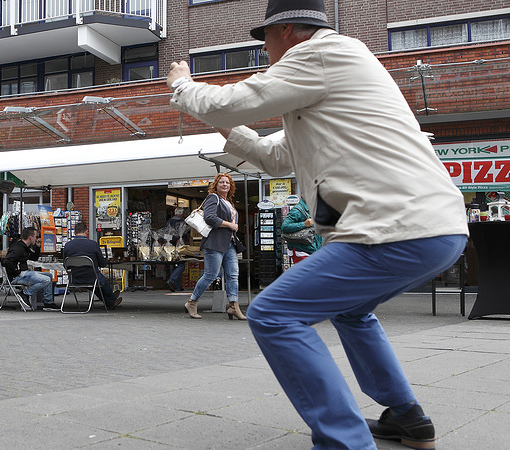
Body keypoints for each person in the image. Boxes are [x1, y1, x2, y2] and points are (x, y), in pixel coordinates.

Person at [166, 0, 468, 448]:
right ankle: (407, 417)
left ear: (286, 31)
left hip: (391, 228)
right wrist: (224, 126)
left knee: (273, 313)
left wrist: (182, 86)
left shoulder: (322, 53)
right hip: (433, 230)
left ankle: (345, 442)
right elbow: (275, 156)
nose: (263, 51)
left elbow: (234, 102)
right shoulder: (331, 84)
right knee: (350, 309)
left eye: (264, 39)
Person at [184, 173, 246, 321]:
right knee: (211, 275)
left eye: (227, 183)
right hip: (214, 242)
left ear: (231, 186)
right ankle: (192, 302)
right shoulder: (213, 198)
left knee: (233, 275)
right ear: (216, 185)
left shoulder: (228, 202)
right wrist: (230, 224)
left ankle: (233, 305)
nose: (225, 185)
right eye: (221, 182)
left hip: (230, 243)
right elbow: (209, 217)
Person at [62, 222, 123, 309]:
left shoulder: (68, 245)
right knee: (100, 281)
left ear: (74, 233)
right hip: (92, 277)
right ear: (86, 231)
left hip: (75, 278)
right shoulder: (93, 244)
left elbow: (65, 265)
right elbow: (102, 263)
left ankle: (110, 302)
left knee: (96, 286)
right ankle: (112, 298)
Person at [2, 227, 56, 309]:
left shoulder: (25, 247)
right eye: (36, 237)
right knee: (46, 280)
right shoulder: (18, 248)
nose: (37, 239)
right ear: (30, 237)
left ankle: (48, 302)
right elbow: (7, 261)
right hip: (17, 276)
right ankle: (26, 293)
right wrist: (17, 272)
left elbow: (33, 258)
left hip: (24, 273)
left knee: (49, 276)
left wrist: (37, 247)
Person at [281, 197, 323, 264]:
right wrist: (304, 224)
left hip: (312, 250)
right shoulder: (297, 210)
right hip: (302, 251)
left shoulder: (314, 208)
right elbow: (285, 226)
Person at [165, 207, 190, 292]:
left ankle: (178, 286)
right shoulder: (182, 222)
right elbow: (185, 234)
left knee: (174, 264)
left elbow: (165, 234)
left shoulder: (169, 222)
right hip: (179, 245)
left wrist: (168, 241)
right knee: (181, 264)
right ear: (182, 214)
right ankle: (172, 281)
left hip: (170, 246)